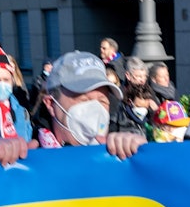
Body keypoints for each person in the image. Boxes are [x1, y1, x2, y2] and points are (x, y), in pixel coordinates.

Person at [13, 50, 144, 160]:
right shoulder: (29, 157)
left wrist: (139, 152)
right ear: (51, 104)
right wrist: (0, 155)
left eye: (102, 101)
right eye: (84, 100)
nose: (95, 109)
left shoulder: (118, 153)